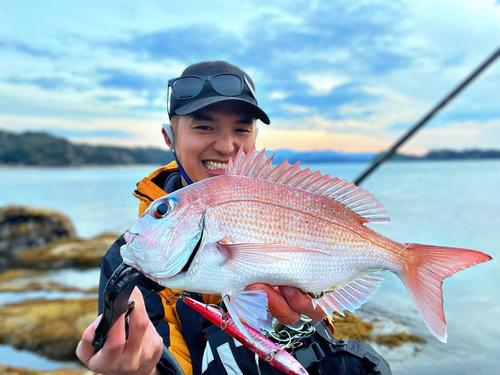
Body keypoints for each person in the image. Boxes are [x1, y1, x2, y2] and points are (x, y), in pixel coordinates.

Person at [77, 61, 391, 375]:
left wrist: (301, 323)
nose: (226, 146)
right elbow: (160, 358)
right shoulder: (131, 259)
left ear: (256, 137)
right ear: (169, 137)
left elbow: (320, 307)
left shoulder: (284, 197)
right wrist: (136, 371)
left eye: (241, 129)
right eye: (203, 126)